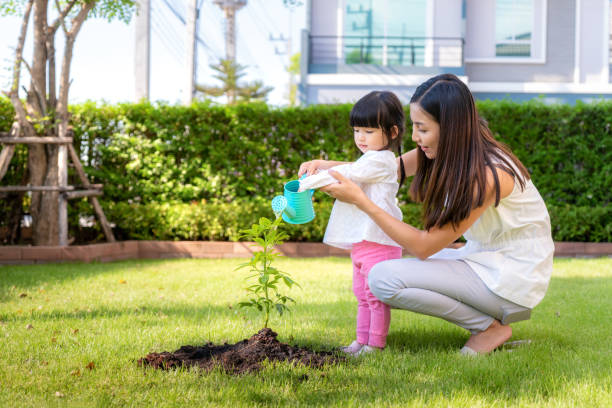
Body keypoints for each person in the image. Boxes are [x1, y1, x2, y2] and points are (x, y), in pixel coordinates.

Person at [299, 74, 554, 355]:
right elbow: (385, 170)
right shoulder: (452, 151)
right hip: (485, 261)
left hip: (512, 278)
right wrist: (325, 168)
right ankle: (486, 325)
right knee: (386, 272)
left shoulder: (488, 174)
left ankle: (487, 328)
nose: (415, 138)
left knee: (383, 277)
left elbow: (424, 246)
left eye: (422, 128)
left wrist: (361, 201)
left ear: (451, 128)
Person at [297, 91, 407, 356]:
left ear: (392, 132)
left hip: (379, 241)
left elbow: (349, 173)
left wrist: (313, 179)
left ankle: (375, 344)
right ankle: (361, 340)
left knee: (374, 295)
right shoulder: (370, 159)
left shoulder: (382, 160)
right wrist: (322, 167)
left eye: (369, 131)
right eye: (357, 130)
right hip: (364, 241)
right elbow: (351, 167)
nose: (360, 137)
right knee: (361, 293)